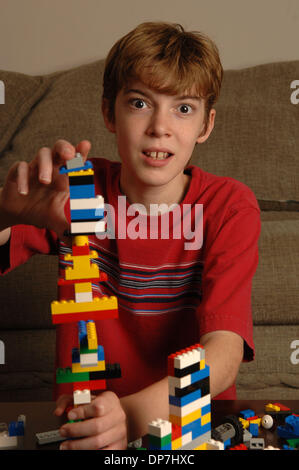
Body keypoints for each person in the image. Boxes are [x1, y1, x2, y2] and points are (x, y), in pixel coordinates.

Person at [0, 22, 261, 450]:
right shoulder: (79, 190)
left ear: (206, 125)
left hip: (188, 432)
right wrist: (6, 209)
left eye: (183, 108)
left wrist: (134, 416)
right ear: (109, 113)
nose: (160, 126)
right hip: (85, 427)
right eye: (140, 103)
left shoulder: (229, 206)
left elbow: (224, 353)